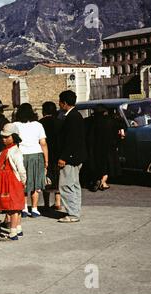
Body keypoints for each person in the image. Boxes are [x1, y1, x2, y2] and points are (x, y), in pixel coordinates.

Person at [0, 123, 26, 241]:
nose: (4, 139)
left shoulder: (15, 152)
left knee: (14, 207)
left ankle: (13, 233)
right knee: (14, 206)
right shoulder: (5, 151)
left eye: (7, 137)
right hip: (6, 182)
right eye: (3, 137)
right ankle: (18, 229)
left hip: (13, 182)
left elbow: (21, 169)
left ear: (14, 137)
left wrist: (23, 181)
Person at [13, 103, 48, 218]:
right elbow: (43, 143)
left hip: (21, 155)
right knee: (35, 183)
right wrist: (46, 160)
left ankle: (23, 208)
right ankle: (34, 208)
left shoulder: (15, 125)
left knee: (23, 183)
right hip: (36, 155)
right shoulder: (38, 125)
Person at [57, 90, 87, 223]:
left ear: (64, 103)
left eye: (60, 102)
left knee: (66, 185)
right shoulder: (77, 115)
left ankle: (72, 213)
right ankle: (75, 210)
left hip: (70, 157)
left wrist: (64, 157)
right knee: (74, 184)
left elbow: (71, 140)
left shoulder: (71, 118)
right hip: (78, 156)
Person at [85, 106, 121, 191]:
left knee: (99, 166)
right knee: (108, 166)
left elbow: (89, 136)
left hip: (95, 147)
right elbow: (117, 131)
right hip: (109, 147)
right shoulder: (110, 121)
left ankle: (100, 181)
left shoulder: (91, 122)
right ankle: (103, 182)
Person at [39, 101, 63, 211]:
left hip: (45, 153)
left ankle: (46, 204)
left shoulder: (40, 123)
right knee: (58, 177)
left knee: (45, 177)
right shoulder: (60, 122)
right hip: (58, 153)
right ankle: (57, 202)